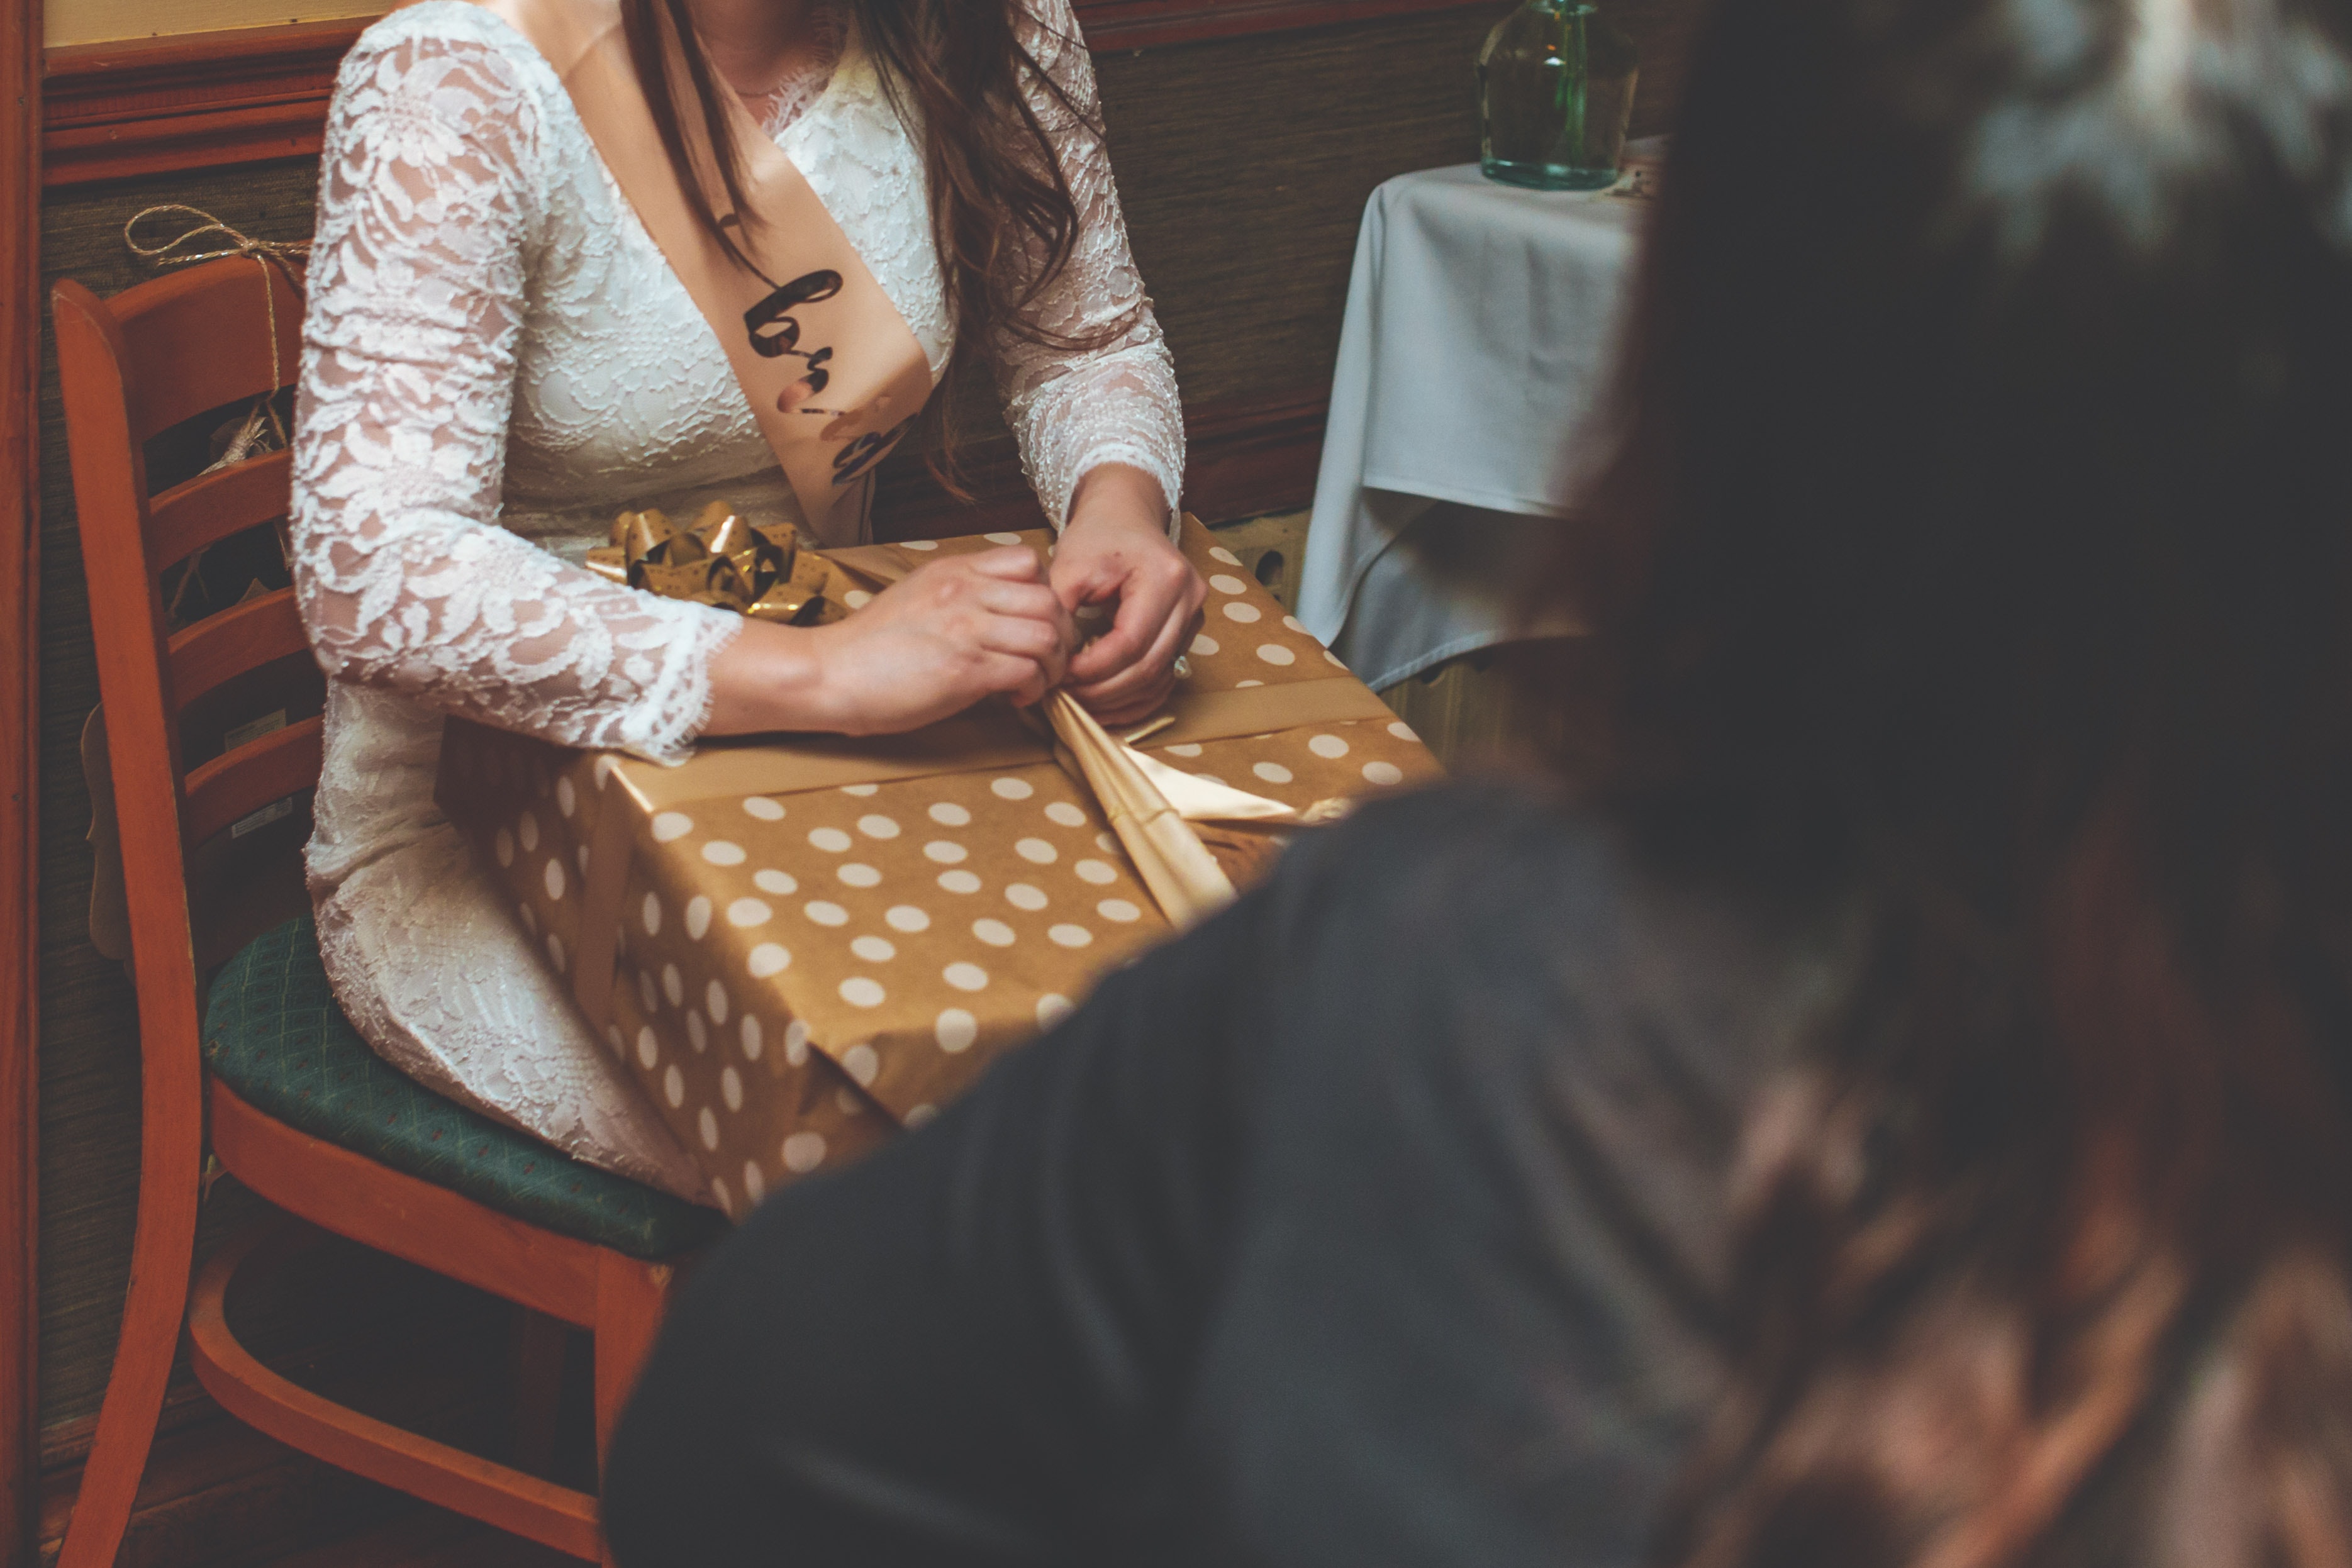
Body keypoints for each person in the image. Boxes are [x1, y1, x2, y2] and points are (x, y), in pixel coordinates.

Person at [599, 0, 2352, 1559]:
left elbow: (743, 1433)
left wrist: (1112, 493)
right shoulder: (499, 64)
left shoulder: (1440, 960)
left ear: (1681, 373)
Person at [289, 0, 1200, 1198]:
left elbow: (1088, 341)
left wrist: (1121, 507)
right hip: (491, 828)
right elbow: (373, 568)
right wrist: (826, 676)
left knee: (1169, 1067)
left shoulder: (984, 25)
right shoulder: (463, 73)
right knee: (911, 1161)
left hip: (854, 773)